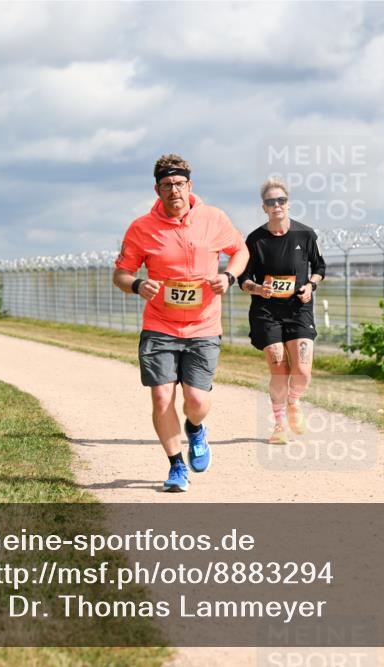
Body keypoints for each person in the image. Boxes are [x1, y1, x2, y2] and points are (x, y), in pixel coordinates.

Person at [113, 154, 249, 492]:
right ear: (156, 189)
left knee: (197, 402)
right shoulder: (141, 228)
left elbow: (241, 250)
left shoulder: (214, 219)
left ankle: (195, 428)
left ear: (190, 185)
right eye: (166, 185)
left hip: (203, 326)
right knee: (161, 398)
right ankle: (176, 466)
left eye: (179, 184)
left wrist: (229, 276)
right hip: (160, 324)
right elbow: (121, 273)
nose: (174, 190)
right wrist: (136, 284)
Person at [239, 179, 326, 444]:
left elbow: (320, 268)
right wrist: (257, 289)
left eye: (281, 201)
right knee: (280, 369)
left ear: (288, 204)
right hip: (266, 311)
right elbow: (244, 278)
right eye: (270, 202)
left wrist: (311, 286)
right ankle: (279, 426)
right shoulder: (255, 240)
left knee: (302, 371)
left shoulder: (305, 235)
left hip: (298, 308)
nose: (277, 205)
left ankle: (294, 402)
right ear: (264, 207)